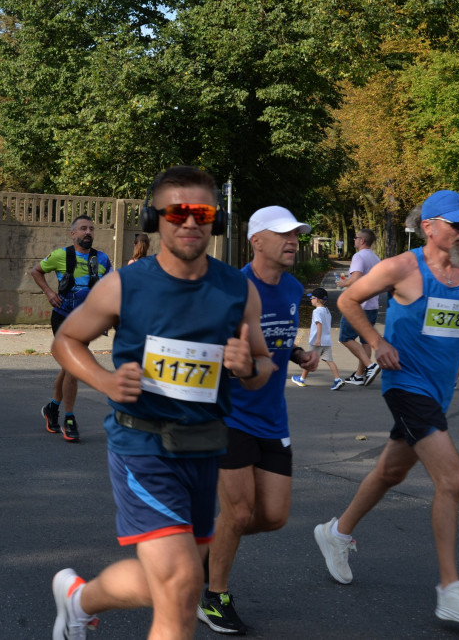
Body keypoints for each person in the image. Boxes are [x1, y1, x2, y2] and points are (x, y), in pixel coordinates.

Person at [49, 166, 274, 640]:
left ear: (216, 220)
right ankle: (78, 601)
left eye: (202, 212)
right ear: (157, 218)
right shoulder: (126, 284)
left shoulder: (238, 289)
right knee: (183, 582)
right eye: (177, 211)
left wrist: (248, 368)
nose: (190, 222)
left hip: (205, 449)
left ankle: (79, 599)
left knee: (173, 581)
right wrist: (106, 382)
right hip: (142, 447)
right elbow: (67, 341)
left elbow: (262, 368)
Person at [313, 190, 459, 623]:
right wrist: (377, 343)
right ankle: (450, 589)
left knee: (391, 471)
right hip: (406, 383)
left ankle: (336, 533)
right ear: (430, 227)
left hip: (439, 389)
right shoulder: (401, 267)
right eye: (455, 222)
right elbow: (347, 301)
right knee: (453, 479)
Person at [198, 205, 319, 634]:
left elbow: (280, 338)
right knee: (240, 510)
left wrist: (300, 354)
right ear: (256, 241)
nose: (293, 241)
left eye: (296, 235)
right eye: (284, 234)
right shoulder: (230, 288)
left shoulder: (292, 287)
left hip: (273, 417)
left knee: (273, 516)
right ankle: (214, 596)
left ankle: (203, 554)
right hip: (229, 416)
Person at [29, 214, 113, 442]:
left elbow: (112, 288)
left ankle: (52, 408)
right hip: (64, 319)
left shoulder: (103, 259)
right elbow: (36, 271)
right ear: (73, 234)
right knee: (74, 368)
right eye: (83, 228)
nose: (88, 232)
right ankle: (69, 418)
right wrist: (49, 292)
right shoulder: (60, 256)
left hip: (88, 322)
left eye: (92, 229)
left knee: (69, 367)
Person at [336, 228, 381, 386]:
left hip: (358, 305)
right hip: (373, 304)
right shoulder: (376, 258)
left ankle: (370, 366)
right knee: (365, 341)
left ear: (362, 241)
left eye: (355, 238)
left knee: (345, 338)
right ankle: (360, 375)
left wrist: (343, 283)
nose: (354, 240)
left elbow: (355, 279)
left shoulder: (359, 256)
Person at [291, 287, 344, 390]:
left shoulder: (316, 312)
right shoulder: (327, 310)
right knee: (330, 361)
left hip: (316, 341)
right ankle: (337, 379)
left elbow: (319, 325)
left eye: (312, 297)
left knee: (308, 360)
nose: (311, 300)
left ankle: (301, 379)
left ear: (317, 299)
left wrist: (318, 339)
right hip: (327, 341)